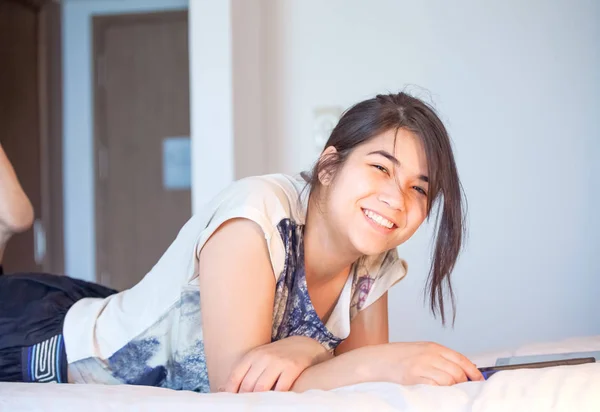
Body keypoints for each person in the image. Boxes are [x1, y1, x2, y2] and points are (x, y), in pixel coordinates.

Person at [0, 92, 484, 392]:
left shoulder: (375, 259)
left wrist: (311, 351)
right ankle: (10, 216)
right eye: (380, 167)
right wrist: (383, 361)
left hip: (115, 308)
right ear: (330, 166)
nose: (397, 199)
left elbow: (352, 376)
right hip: (46, 338)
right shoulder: (256, 214)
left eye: (419, 188)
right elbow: (239, 388)